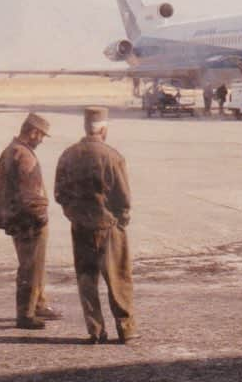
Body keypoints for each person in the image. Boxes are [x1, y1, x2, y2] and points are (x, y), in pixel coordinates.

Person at [55, 107, 137, 345]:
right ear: (103, 129)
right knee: (119, 279)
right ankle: (127, 330)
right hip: (109, 227)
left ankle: (95, 330)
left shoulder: (68, 155)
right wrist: (120, 220)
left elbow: (60, 194)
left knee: (86, 280)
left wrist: (74, 215)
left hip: (81, 227)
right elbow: (124, 198)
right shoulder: (112, 156)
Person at [0, 112, 62, 329]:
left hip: (16, 219)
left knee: (35, 266)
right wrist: (40, 218)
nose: (41, 140)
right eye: (41, 135)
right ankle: (26, 314)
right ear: (33, 132)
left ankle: (39, 303)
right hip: (29, 222)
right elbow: (30, 195)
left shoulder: (11, 150)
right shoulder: (23, 155)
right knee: (30, 268)